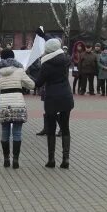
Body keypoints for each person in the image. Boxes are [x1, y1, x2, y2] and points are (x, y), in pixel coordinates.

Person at [36, 38, 74, 169]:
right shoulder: (66, 60)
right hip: (66, 96)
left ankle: (51, 159)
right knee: (65, 127)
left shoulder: (46, 65)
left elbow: (38, 83)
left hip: (52, 97)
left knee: (51, 129)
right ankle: (66, 159)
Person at [0, 49, 35, 169]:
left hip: (4, 103)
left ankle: (6, 159)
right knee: (17, 133)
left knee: (5, 132)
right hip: (18, 103)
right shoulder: (19, 70)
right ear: (13, 58)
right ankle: (16, 160)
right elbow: (32, 85)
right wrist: (21, 84)